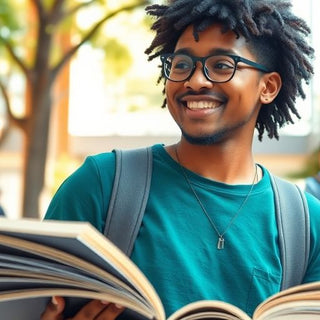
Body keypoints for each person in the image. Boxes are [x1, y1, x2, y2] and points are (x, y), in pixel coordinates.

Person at [41, 0, 320, 319]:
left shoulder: (309, 225)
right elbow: (34, 301)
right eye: (182, 64)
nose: (195, 81)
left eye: (221, 65)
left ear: (267, 87)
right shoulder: (101, 185)